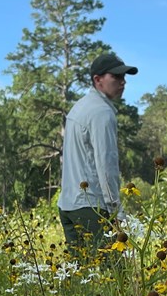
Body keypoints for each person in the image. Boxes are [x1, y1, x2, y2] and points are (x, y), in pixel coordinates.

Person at [58, 52, 138, 257]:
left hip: (68, 205)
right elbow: (106, 165)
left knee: (83, 279)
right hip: (91, 207)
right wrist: (116, 210)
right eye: (116, 77)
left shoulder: (80, 107)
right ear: (98, 79)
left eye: (124, 78)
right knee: (115, 276)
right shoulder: (101, 112)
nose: (123, 82)